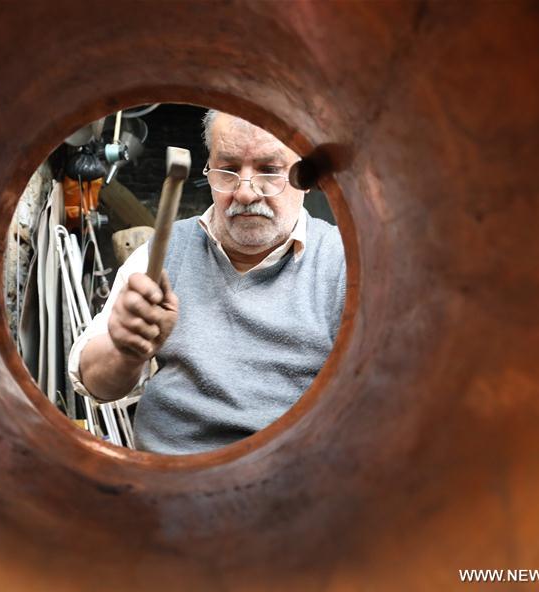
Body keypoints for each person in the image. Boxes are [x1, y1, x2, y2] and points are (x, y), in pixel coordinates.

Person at [68, 110, 346, 455]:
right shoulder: (163, 254)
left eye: (269, 170)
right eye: (228, 170)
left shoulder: (346, 265)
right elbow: (97, 384)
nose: (245, 193)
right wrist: (125, 350)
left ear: (304, 177)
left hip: (287, 482)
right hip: (166, 478)